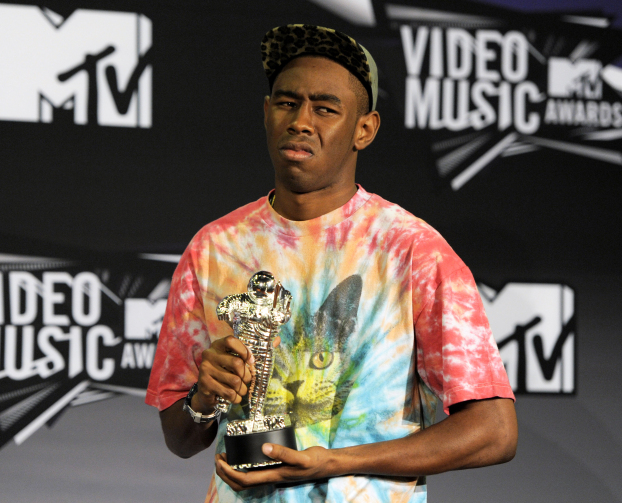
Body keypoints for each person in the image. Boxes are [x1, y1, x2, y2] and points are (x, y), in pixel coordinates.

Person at [146, 24, 517, 502]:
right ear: (266, 113)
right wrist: (204, 396)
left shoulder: (413, 251)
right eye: (286, 102)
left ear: (364, 129)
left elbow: (494, 431)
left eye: (325, 108)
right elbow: (179, 439)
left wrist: (334, 462)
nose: (301, 120)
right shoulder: (214, 248)